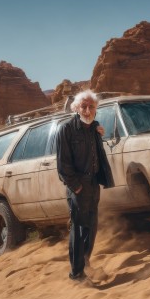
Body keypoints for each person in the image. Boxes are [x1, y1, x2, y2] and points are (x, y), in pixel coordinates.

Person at [55, 90, 115, 281]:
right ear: (76, 108)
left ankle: (85, 263)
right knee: (78, 230)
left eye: (91, 106)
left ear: (96, 109)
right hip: (78, 187)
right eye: (84, 106)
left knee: (92, 227)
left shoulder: (94, 128)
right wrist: (77, 187)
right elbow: (63, 166)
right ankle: (76, 273)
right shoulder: (66, 130)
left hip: (93, 184)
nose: (87, 110)